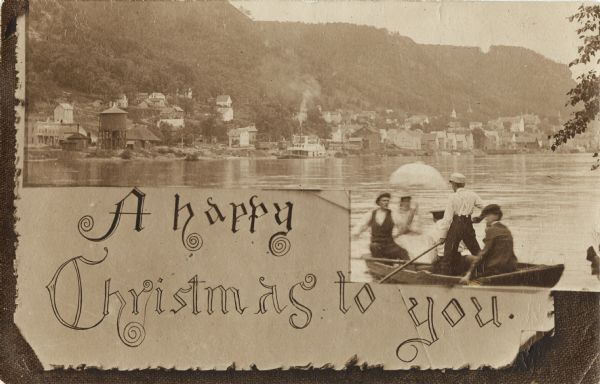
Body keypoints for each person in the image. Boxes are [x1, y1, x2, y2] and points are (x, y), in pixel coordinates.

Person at [433, 172, 484, 275]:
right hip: (468, 224)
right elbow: (486, 207)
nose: (452, 186)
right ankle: (483, 272)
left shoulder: (452, 197)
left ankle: (445, 276)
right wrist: (480, 218)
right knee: (476, 250)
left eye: (452, 184)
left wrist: (443, 236)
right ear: (463, 184)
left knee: (448, 253)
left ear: (454, 184)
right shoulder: (472, 194)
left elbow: (447, 218)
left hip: (457, 224)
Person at [459, 204, 518, 284]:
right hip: (510, 266)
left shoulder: (492, 230)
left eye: (488, 215)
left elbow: (483, 254)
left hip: (496, 268)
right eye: (485, 215)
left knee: (466, 258)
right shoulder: (506, 229)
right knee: (473, 259)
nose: (486, 218)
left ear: (496, 216)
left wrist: (469, 274)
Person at [352, 192, 410, 260]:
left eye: (387, 201)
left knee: (403, 252)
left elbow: (403, 228)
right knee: (374, 246)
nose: (386, 203)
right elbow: (360, 227)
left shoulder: (393, 214)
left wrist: (396, 235)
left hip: (389, 245)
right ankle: (384, 263)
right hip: (376, 245)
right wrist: (355, 235)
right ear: (379, 202)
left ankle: (412, 269)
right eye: (384, 201)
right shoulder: (371, 214)